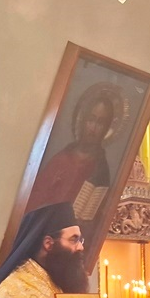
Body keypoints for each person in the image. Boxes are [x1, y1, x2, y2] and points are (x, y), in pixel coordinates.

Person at [26, 90, 116, 220]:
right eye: (91, 119)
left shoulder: (101, 171)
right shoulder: (62, 159)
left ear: (106, 128)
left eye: (100, 123)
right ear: (83, 120)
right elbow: (34, 201)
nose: (93, 128)